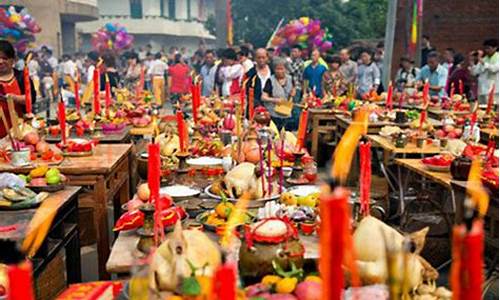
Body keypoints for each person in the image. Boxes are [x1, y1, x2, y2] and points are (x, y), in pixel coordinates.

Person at [0, 40, 36, 137]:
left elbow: (31, 98)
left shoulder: (22, 77)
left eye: (5, 58)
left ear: (13, 60)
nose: (0, 62)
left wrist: (15, 98)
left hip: (21, 131)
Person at [261, 58, 295, 130]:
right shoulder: (270, 80)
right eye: (277, 69)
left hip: (286, 112)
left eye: (282, 69)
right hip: (273, 114)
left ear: (285, 69)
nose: (279, 71)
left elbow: (293, 89)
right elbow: (263, 97)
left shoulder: (290, 79)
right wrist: (275, 100)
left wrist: (292, 93)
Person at [469, 39, 499, 105]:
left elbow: (494, 69)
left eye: (488, 48)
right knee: (481, 111)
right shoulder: (485, 58)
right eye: (485, 48)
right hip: (482, 90)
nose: (486, 50)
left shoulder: (498, 57)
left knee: (492, 111)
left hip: (494, 91)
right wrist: (471, 61)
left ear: (495, 48)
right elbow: (474, 73)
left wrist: (481, 61)